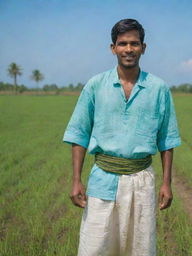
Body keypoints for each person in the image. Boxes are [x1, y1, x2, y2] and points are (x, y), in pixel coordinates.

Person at [63, 18, 181, 256]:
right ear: (113, 48)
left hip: (142, 180)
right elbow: (79, 134)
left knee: (140, 247)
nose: (129, 49)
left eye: (134, 43)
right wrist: (76, 179)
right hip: (102, 179)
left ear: (143, 48)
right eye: (123, 43)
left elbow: (167, 140)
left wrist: (167, 183)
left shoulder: (158, 88)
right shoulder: (95, 85)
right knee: (95, 246)